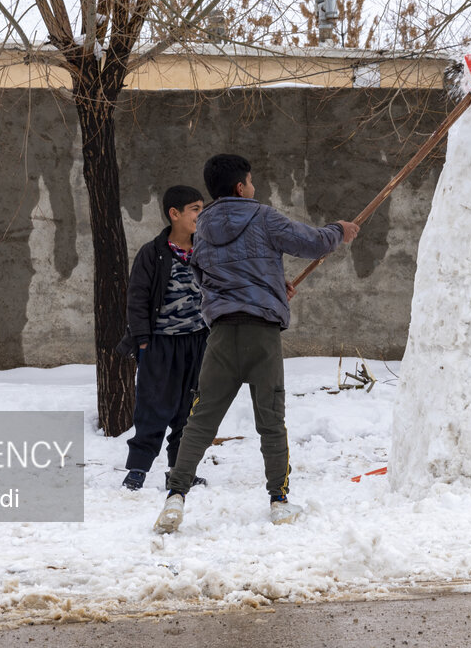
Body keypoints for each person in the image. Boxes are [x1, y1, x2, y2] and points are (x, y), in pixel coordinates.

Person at [154, 154, 359, 533]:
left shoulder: (203, 227)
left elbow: (205, 275)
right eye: (250, 181)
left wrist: (272, 287)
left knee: (200, 422)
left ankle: (175, 496)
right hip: (261, 335)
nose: (253, 186)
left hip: (221, 336)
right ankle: (279, 501)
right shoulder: (263, 216)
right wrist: (338, 230)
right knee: (271, 421)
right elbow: (311, 243)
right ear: (240, 187)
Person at [118, 185, 210, 491]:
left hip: (198, 344)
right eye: (195, 209)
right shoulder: (153, 253)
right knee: (152, 406)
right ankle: (138, 470)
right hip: (160, 345)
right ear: (175, 214)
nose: (201, 214)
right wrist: (143, 340)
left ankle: (180, 470)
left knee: (190, 410)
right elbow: (137, 298)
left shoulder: (206, 251)